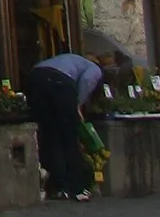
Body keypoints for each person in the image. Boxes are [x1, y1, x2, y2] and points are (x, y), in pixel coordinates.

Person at [26, 47, 109, 200]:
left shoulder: (70, 59)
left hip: (35, 78)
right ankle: (77, 188)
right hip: (60, 83)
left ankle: (59, 187)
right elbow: (87, 80)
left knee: (51, 136)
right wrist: (78, 104)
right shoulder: (94, 68)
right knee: (69, 137)